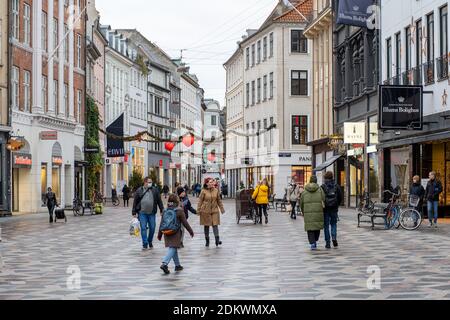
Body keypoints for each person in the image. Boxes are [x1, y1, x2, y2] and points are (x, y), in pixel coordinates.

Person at [157, 194, 194, 275]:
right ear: (177, 201)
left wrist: (159, 234)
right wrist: (191, 231)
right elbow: (185, 223)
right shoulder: (179, 210)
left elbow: (161, 223)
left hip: (166, 232)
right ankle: (165, 263)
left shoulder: (165, 210)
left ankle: (177, 265)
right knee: (173, 247)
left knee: (173, 247)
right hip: (175, 232)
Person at [132, 177, 164, 250]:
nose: (150, 183)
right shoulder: (139, 190)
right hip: (142, 213)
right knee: (143, 228)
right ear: (145, 182)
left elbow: (159, 201)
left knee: (152, 228)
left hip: (152, 213)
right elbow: (135, 201)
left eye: (151, 182)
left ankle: (150, 241)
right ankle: (145, 243)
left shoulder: (155, 190)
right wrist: (134, 212)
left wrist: (162, 209)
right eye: (149, 182)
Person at [198, 178, 226, 247]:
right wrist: (198, 210)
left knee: (215, 225)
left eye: (212, 182)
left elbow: (219, 200)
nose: (211, 183)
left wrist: (222, 209)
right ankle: (207, 240)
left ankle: (217, 239)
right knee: (206, 225)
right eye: (210, 182)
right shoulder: (203, 191)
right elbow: (200, 201)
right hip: (205, 211)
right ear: (206, 183)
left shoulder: (216, 190)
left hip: (214, 210)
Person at [299, 176, 325, 251]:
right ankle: (315, 240)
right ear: (316, 181)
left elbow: (301, 202)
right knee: (317, 226)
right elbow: (323, 199)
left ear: (310, 181)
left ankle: (312, 243)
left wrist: (303, 211)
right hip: (318, 211)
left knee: (310, 228)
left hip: (308, 213)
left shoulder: (304, 191)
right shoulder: (320, 189)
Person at [321, 172, 343, 249]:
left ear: (325, 178)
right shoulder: (336, 186)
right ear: (332, 177)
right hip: (334, 208)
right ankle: (334, 238)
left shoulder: (322, 187)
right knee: (333, 224)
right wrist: (337, 204)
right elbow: (340, 197)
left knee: (326, 226)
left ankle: (327, 243)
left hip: (326, 209)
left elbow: (321, 197)